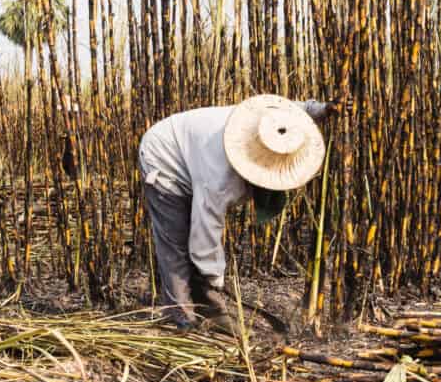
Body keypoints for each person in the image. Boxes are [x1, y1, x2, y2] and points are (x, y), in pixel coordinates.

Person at [139, 94, 337, 330]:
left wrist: (321, 109)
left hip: (194, 152)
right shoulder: (221, 178)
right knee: (176, 241)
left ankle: (206, 307)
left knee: (195, 250)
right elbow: (206, 229)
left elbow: (291, 113)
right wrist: (215, 278)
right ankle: (181, 314)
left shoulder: (266, 121)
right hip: (163, 157)